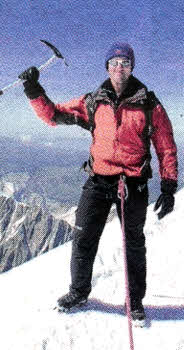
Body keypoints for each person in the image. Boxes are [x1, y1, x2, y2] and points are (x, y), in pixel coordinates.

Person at [19, 42, 178, 323]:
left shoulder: (149, 104)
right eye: (115, 62)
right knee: (83, 239)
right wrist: (33, 90)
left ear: (132, 68)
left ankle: (135, 303)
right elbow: (53, 115)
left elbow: (165, 146)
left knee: (133, 245)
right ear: (107, 66)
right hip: (98, 180)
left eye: (125, 62)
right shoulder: (93, 102)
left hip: (133, 183)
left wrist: (168, 186)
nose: (119, 67)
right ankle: (79, 292)